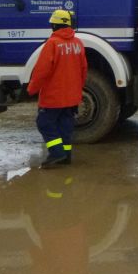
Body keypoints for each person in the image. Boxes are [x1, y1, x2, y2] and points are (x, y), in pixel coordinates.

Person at [27, 9, 88, 168]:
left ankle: (56, 153)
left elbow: (41, 71)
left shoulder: (52, 44)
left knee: (45, 123)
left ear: (55, 25)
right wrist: (78, 89)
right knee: (65, 125)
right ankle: (66, 155)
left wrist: (31, 89)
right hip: (71, 96)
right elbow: (83, 69)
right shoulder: (78, 43)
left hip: (54, 96)